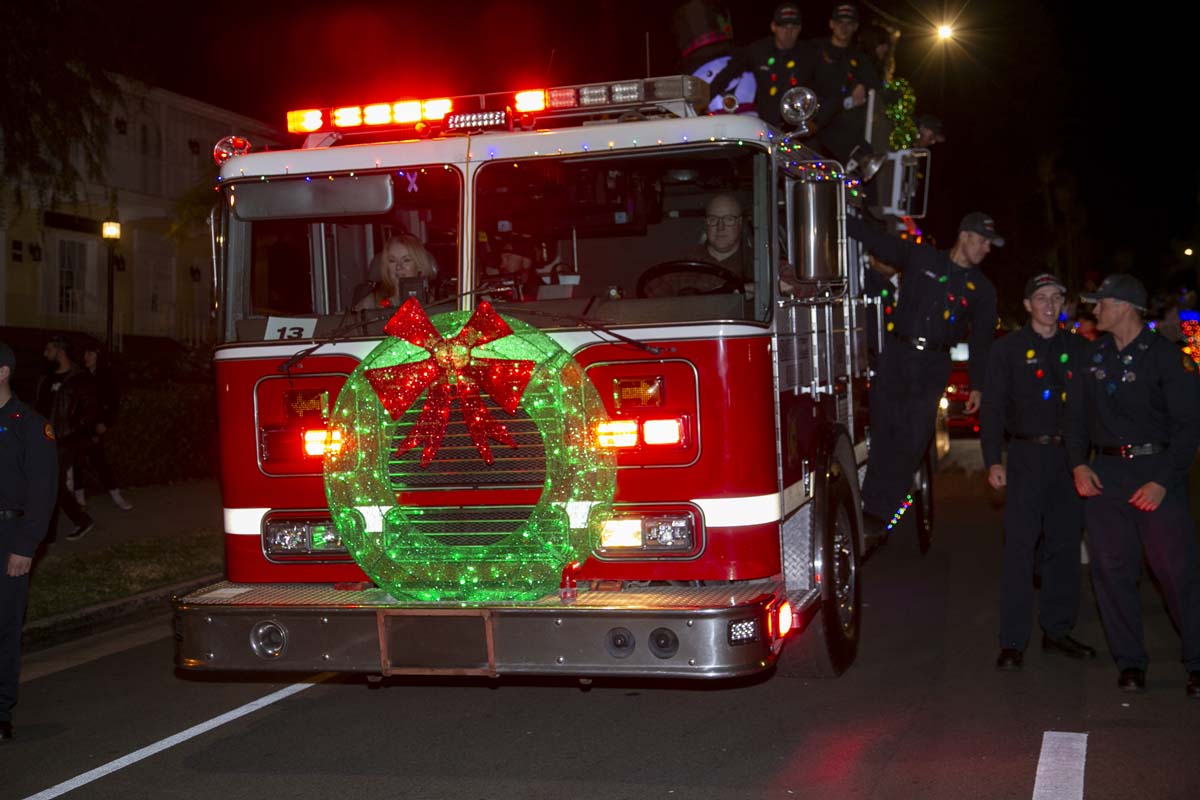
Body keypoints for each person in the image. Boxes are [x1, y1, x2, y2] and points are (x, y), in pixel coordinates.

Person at [1065, 274, 1200, 696]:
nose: (1095, 310)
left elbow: (1188, 427)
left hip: (1157, 473)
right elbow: (1075, 422)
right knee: (1111, 572)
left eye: (1101, 303)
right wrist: (1078, 466)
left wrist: (1162, 481)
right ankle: (1130, 663)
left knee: (1177, 574)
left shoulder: (1167, 358)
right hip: (1106, 478)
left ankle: (1196, 662)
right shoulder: (1091, 357)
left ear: (1124, 307)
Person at [847, 212, 1000, 536]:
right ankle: (867, 508)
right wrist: (839, 215)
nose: (987, 249)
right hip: (897, 356)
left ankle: (879, 511)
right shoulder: (922, 257)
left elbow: (982, 341)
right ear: (965, 236)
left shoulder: (982, 290)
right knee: (885, 432)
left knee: (914, 439)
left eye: (990, 244)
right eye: (983, 241)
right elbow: (880, 244)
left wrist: (978, 385)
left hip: (933, 365)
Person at [980, 273, 1095, 671]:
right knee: (1019, 549)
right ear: (1028, 305)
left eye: (1057, 297)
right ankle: (1013, 641)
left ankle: (1057, 630)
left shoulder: (1080, 349)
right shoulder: (1008, 350)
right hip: (1026, 458)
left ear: (1064, 304)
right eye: (1041, 298)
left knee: (1063, 548)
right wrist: (993, 459)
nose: (1049, 304)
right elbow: (992, 407)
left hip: (1069, 460)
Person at [0, 341, 58, 741]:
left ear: (2, 372)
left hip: (9, 535)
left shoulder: (29, 424)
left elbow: (43, 490)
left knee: (3, 626)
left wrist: (26, 545)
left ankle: (1, 711)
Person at [709, 2, 816, 127]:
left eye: (793, 26)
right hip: (766, 125)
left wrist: (816, 121)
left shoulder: (810, 54)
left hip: (799, 125)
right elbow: (726, 75)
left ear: (800, 28)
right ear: (773, 27)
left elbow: (825, 89)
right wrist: (704, 100)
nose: (788, 31)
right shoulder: (758, 51)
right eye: (783, 26)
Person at [34, 336, 95, 541]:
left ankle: (48, 533)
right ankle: (81, 520)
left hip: (65, 441)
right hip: (44, 440)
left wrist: (73, 433)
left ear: (60, 351)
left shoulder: (78, 378)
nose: (45, 354)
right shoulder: (46, 378)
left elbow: (88, 412)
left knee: (52, 484)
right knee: (51, 485)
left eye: (48, 350)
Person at [808, 3, 882, 163]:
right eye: (840, 22)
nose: (844, 27)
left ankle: (862, 161)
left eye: (849, 23)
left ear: (855, 27)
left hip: (841, 124)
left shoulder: (860, 58)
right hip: (812, 119)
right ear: (831, 24)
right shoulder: (815, 48)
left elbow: (877, 88)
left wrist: (865, 87)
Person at [74, 343, 133, 511]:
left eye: (90, 353)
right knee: (77, 459)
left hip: (95, 425)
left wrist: (106, 423)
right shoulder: (81, 376)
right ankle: (79, 496)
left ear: (98, 356)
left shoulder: (106, 376)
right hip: (79, 425)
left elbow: (113, 403)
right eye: (85, 353)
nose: (86, 357)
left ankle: (115, 494)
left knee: (98, 459)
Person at [353, 233, 437, 311]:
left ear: (419, 265)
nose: (398, 267)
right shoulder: (372, 303)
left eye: (406, 260)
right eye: (392, 260)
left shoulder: (436, 303)